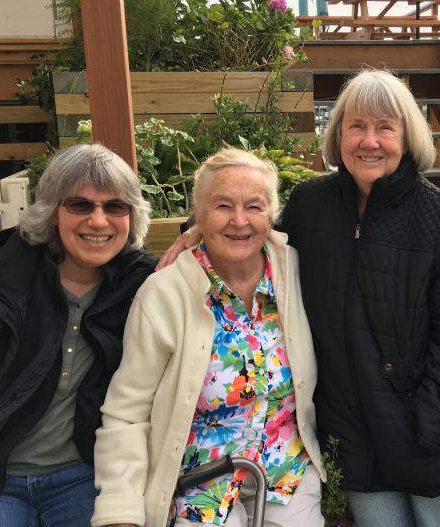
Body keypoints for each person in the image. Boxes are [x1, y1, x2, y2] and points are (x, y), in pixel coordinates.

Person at [160, 70, 440, 527]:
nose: (369, 141)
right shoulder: (311, 204)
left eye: (385, 128)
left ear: (408, 136)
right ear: (338, 136)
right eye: (356, 126)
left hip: (434, 442)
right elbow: (250, 236)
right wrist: (200, 230)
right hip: (356, 439)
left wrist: (426, 427)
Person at [0, 144, 157, 526]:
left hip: (84, 477)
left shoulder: (145, 285)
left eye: (115, 207)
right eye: (80, 205)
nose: (98, 221)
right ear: (51, 212)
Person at [92, 148, 324, 527]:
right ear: (198, 216)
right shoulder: (164, 294)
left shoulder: (296, 271)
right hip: (199, 482)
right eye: (222, 206)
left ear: (271, 214)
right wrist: (121, 510)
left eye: (254, 206)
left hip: (287, 474)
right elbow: (127, 413)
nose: (239, 220)